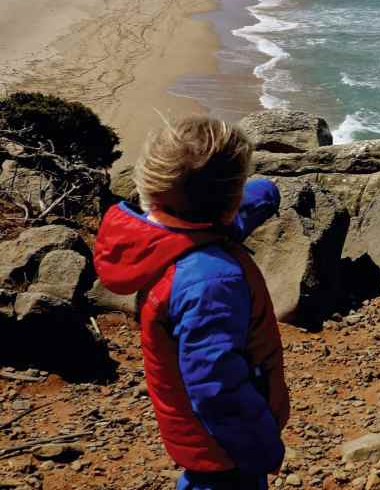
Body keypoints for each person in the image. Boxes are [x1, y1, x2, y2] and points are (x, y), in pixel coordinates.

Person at [93, 117, 290, 490]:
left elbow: (221, 217)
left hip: (202, 439)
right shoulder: (212, 281)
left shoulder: (161, 238)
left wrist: (266, 192)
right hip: (225, 450)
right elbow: (215, 387)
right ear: (229, 200)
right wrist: (262, 447)